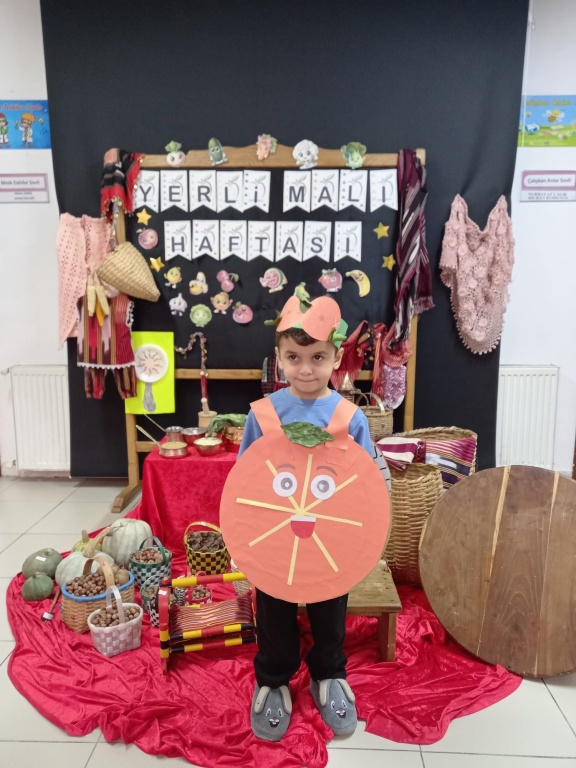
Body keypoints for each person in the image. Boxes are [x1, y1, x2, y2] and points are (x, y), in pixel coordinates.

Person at [238, 294, 372, 742]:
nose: (306, 369)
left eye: (318, 357)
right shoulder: (262, 415)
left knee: (330, 608)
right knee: (273, 609)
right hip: (275, 537)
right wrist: (247, 540)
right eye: (294, 357)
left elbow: (364, 486)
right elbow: (245, 483)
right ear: (278, 358)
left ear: (336, 357)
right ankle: (274, 679)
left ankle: (329, 675)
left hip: (330, 538)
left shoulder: (350, 418)